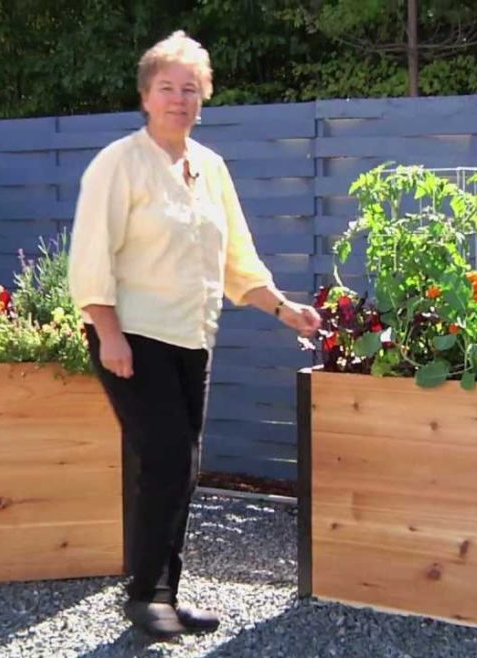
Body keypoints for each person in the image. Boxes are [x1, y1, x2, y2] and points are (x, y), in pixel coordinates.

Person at [66, 30, 322, 640]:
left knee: (184, 466)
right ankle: (142, 595)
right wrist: (109, 334)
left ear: (202, 98)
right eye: (166, 88)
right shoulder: (118, 163)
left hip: (192, 337)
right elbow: (91, 255)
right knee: (165, 459)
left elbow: (235, 256)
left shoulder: (210, 168)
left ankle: (167, 594)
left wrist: (284, 308)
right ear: (146, 96)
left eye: (190, 88)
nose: (178, 99)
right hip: (132, 335)